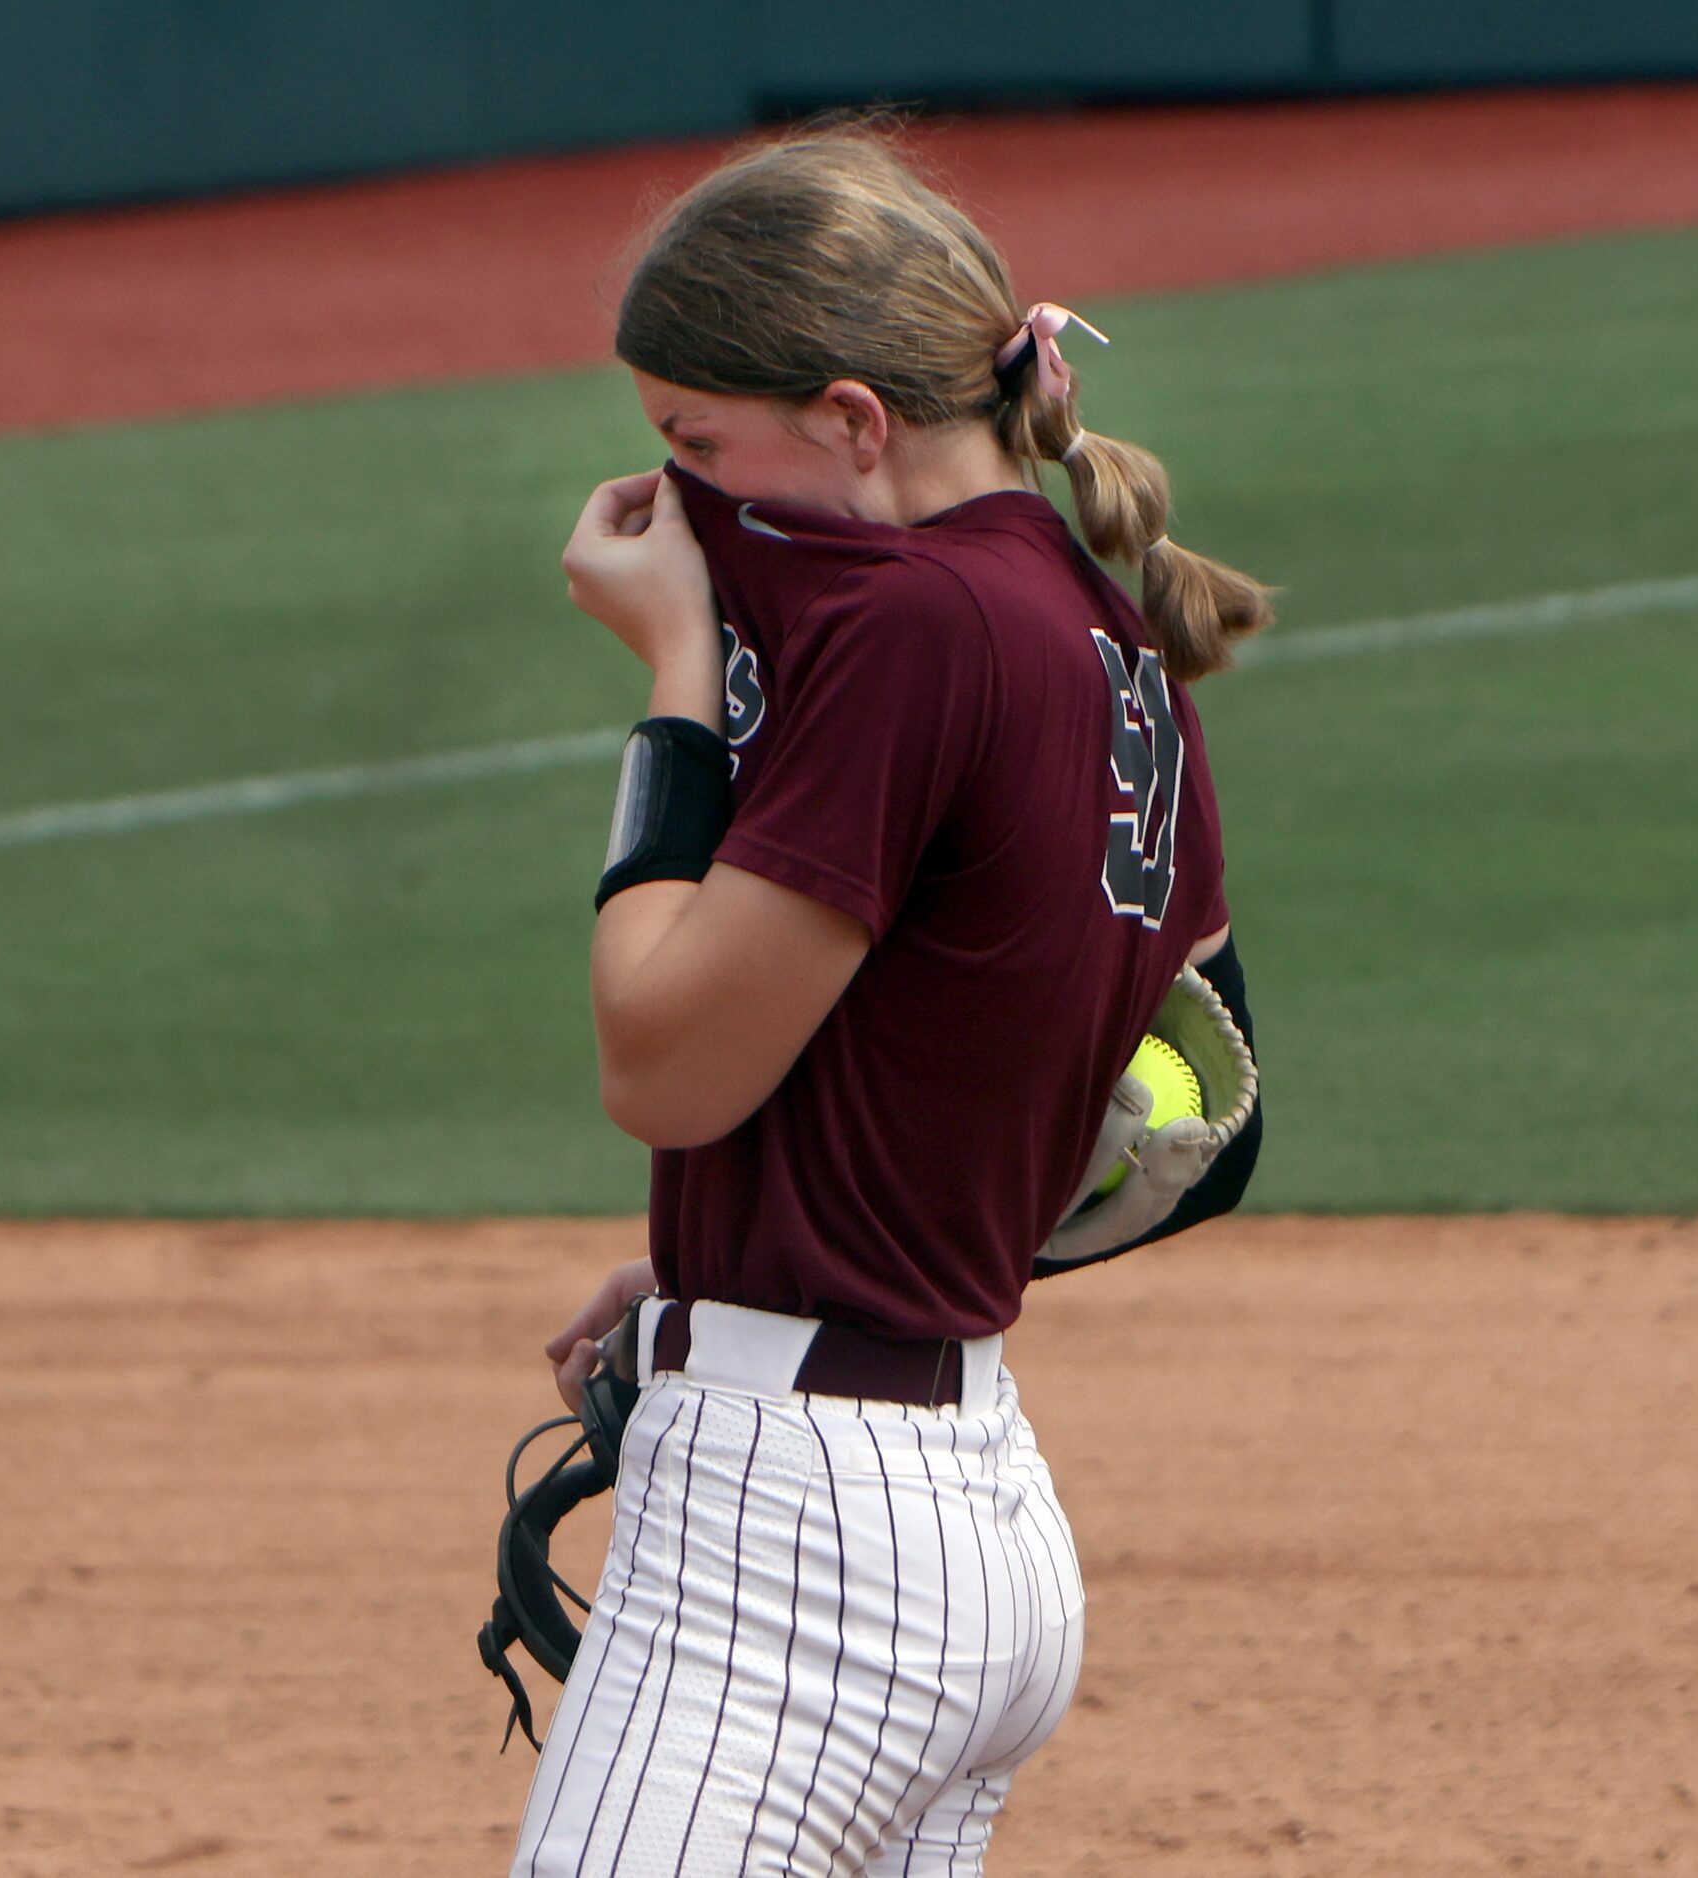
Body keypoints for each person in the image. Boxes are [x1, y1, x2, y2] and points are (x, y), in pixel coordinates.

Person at [514, 123, 1268, 1877]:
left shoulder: (916, 626)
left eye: (696, 443)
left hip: (797, 1557)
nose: (681, 495)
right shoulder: (1105, 638)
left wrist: (681, 686)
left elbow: (664, 1064)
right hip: (973, 1506)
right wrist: (806, 1241)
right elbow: (1202, 1127)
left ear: (854, 421)